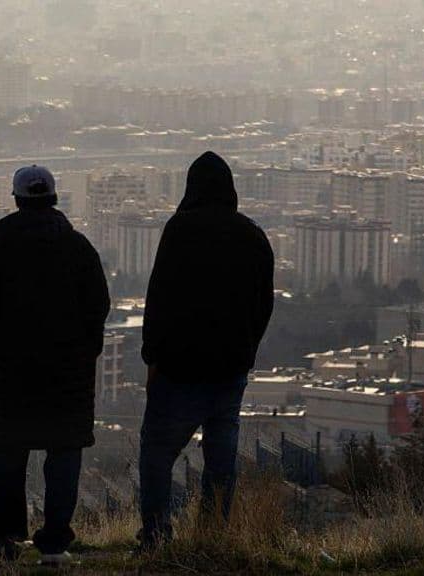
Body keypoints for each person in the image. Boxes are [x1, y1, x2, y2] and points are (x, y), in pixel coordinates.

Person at [0, 165, 111, 565]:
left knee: (8, 455)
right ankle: (54, 544)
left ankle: (2, 540)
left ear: (16, 200)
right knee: (63, 454)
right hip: (68, 375)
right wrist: (86, 354)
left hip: (8, 374)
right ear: (53, 198)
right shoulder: (78, 248)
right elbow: (98, 307)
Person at [138, 151, 275, 547]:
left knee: (158, 455)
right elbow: (263, 304)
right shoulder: (252, 236)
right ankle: (213, 536)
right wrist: (246, 350)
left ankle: (156, 534)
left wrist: (152, 357)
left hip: (179, 368)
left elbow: (159, 297)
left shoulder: (180, 230)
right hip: (229, 371)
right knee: (221, 461)